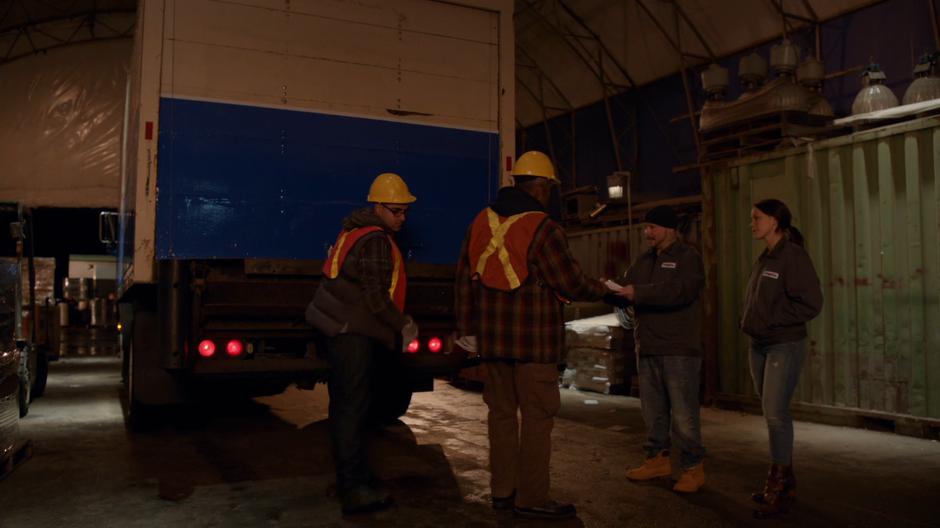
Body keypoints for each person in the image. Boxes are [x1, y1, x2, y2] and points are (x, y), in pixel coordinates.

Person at [455, 151, 610, 520]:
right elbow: (569, 282)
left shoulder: (481, 221)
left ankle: (502, 492)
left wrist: (466, 331)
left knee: (501, 416)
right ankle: (532, 497)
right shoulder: (544, 227)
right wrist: (603, 289)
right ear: (541, 188)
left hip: (492, 344)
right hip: (533, 344)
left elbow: (463, 279)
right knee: (538, 418)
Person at [305, 172, 420, 515]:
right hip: (350, 332)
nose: (402, 218)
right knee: (351, 409)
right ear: (377, 206)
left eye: (405, 212)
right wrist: (404, 325)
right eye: (396, 211)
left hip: (340, 328)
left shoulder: (353, 230)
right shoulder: (375, 240)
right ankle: (353, 490)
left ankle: (354, 478)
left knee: (348, 406)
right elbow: (374, 297)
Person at [611, 205, 707, 493]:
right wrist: (615, 294)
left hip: (679, 349)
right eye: (645, 228)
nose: (647, 233)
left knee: (683, 415)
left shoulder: (688, 259)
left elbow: (680, 291)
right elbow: (627, 286)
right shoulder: (643, 261)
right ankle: (657, 460)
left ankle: (693, 468)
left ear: (668, 229)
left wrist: (638, 293)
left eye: (652, 227)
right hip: (648, 346)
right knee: (653, 412)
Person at [741, 199, 822, 519]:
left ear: (775, 221)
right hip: (758, 344)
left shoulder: (793, 256)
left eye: (757, 218)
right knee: (771, 412)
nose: (752, 223)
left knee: (775, 414)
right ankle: (785, 481)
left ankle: (778, 486)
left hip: (783, 345)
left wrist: (774, 320)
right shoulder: (765, 257)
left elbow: (812, 303)